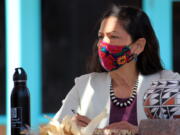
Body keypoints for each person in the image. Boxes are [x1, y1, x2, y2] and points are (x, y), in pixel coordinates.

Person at [52, 5, 180, 134]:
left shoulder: (167, 82)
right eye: (101, 37)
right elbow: (52, 129)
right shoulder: (85, 85)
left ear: (138, 46)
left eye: (113, 36)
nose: (103, 44)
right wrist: (69, 127)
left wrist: (138, 130)